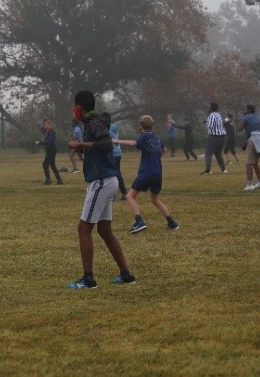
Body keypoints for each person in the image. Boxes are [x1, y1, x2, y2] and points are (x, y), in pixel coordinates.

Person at [65, 90, 135, 289]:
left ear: (80, 107)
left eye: (75, 106)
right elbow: (96, 146)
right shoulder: (94, 121)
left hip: (102, 181)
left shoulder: (93, 122)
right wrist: (80, 148)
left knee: (84, 228)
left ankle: (88, 280)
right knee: (104, 230)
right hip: (108, 179)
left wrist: (79, 144)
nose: (74, 110)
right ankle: (126, 275)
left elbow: (104, 143)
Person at [115, 115, 179, 234]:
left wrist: (116, 141)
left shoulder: (143, 137)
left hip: (147, 172)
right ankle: (172, 223)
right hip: (158, 172)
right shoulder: (157, 137)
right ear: (152, 126)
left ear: (140, 126)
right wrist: (155, 156)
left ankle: (139, 221)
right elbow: (164, 150)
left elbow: (134, 143)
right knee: (155, 199)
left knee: (130, 196)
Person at [239, 104, 260, 191]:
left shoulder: (246, 117)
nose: (244, 111)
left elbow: (240, 129)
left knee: (249, 163)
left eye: (246, 109)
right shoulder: (258, 117)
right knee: (255, 162)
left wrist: (243, 120)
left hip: (253, 139)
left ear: (249, 110)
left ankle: (250, 184)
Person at [104, 114, 127, 200]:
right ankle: (124, 193)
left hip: (110, 152)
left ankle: (112, 195)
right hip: (118, 152)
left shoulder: (105, 129)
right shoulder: (114, 127)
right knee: (117, 173)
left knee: (110, 174)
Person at [201, 102, 227, 175]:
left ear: (211, 107)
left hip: (214, 136)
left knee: (208, 153)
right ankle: (224, 169)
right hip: (222, 136)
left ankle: (208, 169)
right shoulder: (218, 114)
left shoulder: (211, 115)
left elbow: (210, 126)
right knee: (218, 153)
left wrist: (206, 122)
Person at [35, 119, 63, 185]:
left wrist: (40, 142)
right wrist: (40, 126)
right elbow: (42, 130)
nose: (46, 126)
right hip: (50, 150)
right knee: (53, 166)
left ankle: (48, 180)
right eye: (46, 125)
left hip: (52, 150)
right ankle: (59, 180)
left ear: (50, 126)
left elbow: (49, 141)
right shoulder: (47, 132)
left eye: (47, 125)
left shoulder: (51, 132)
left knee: (45, 164)